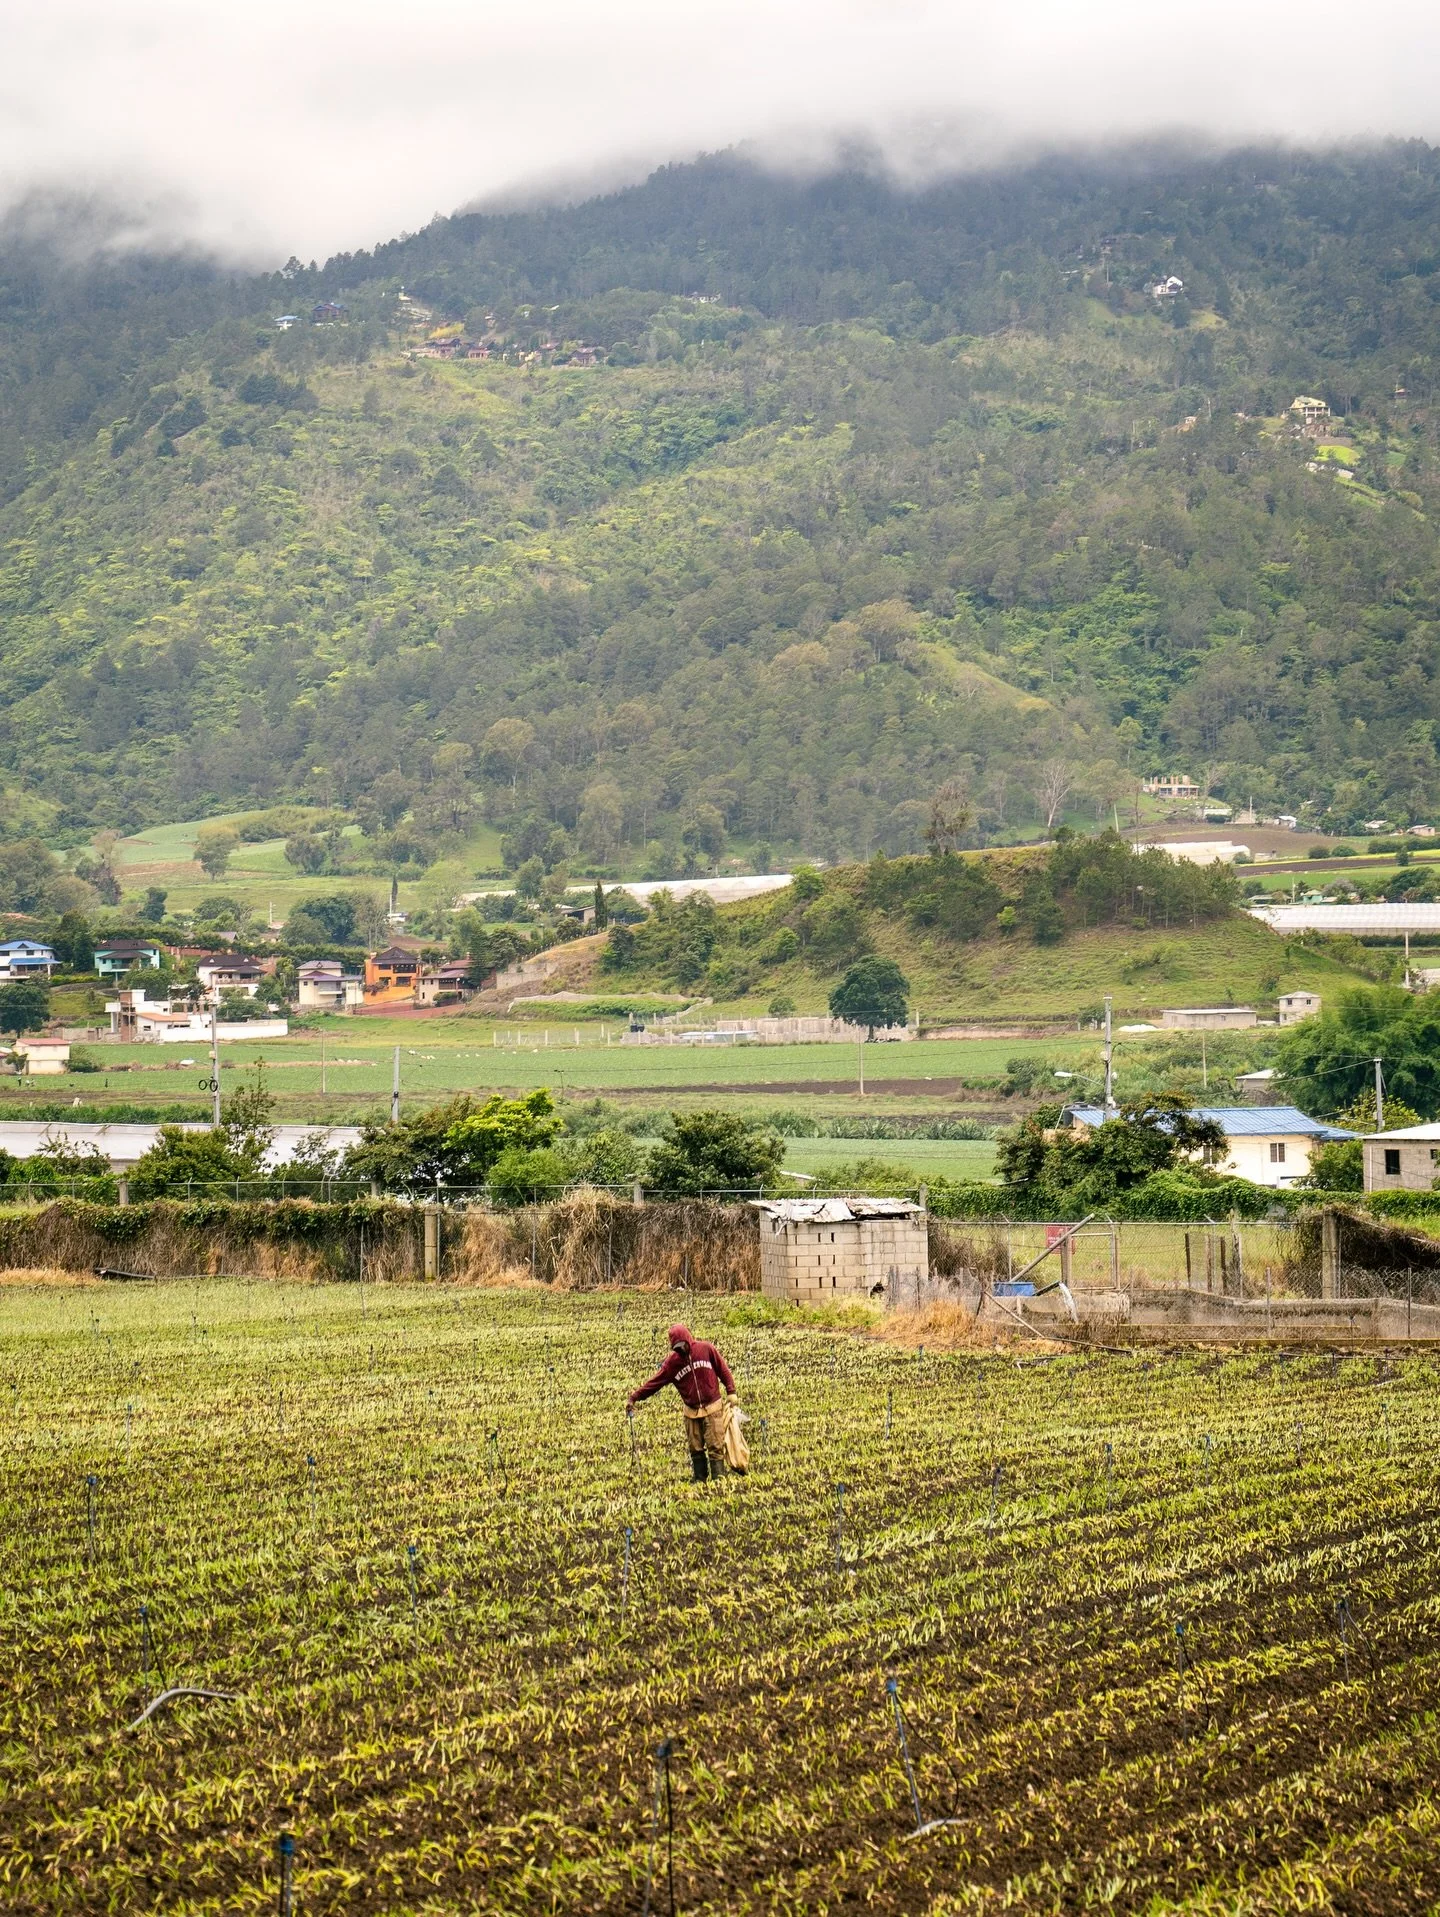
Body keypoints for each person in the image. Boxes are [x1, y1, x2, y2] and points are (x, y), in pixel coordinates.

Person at [627, 1322, 738, 1480]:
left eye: (683, 1345)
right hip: (691, 1410)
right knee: (695, 1446)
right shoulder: (672, 1364)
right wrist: (635, 1397)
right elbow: (654, 1383)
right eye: (677, 1347)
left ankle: (718, 1477)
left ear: (688, 1339)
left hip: (712, 1405)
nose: (681, 1349)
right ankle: (700, 1478)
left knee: (715, 1443)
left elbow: (723, 1369)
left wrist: (731, 1390)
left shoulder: (706, 1349)